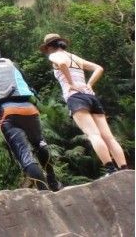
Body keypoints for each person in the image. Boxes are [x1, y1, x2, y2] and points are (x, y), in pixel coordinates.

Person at [40, 33, 128, 175]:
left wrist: (71, 83)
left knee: (93, 135)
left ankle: (111, 170)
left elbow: (62, 64)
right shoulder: (74, 57)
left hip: (75, 97)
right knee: (108, 136)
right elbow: (99, 68)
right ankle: (124, 169)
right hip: (90, 96)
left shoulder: (54, 56)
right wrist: (89, 84)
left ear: (50, 46)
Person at [0, 45, 62, 191]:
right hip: (30, 109)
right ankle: (53, 182)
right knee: (40, 144)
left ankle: (44, 191)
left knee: (24, 154)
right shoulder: (13, 65)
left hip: (7, 112)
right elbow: (26, 84)